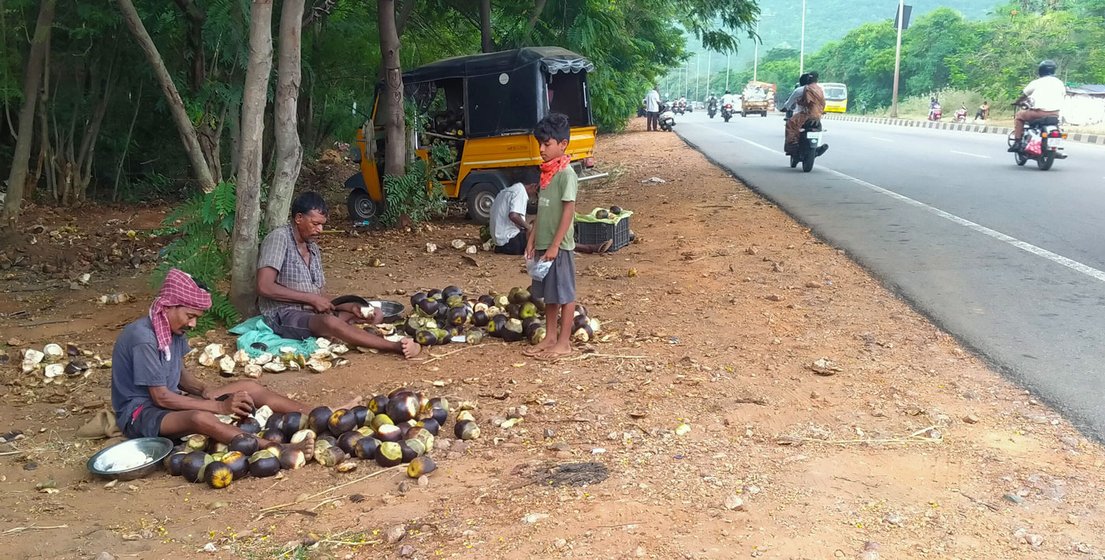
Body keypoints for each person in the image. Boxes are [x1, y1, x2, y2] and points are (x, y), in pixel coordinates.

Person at [110, 268, 350, 450]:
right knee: (198, 417)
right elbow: (161, 397)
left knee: (248, 387)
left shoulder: (172, 328)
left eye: (196, 318)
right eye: (190, 316)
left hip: (169, 402)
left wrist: (205, 390)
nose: (193, 323)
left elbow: (178, 373)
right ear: (170, 306)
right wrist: (217, 406)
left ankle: (321, 415)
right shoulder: (144, 338)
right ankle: (275, 448)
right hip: (141, 414)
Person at [256, 191, 422, 358]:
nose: (319, 230)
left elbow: (320, 295)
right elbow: (265, 286)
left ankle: (339, 333)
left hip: (313, 312)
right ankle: (395, 347)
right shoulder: (279, 238)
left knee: (374, 312)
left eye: (322, 225)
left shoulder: (312, 248)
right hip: (284, 315)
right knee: (329, 322)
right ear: (299, 218)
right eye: (315, 224)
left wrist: (348, 306)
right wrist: (311, 299)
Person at [524, 113, 580, 361]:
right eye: (540, 144)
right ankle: (549, 337)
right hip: (543, 243)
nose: (542, 149)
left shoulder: (566, 174)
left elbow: (568, 210)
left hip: (559, 246)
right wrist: (532, 237)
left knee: (565, 294)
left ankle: (564, 342)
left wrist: (556, 245)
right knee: (549, 294)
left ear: (563, 144)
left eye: (547, 144)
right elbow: (543, 210)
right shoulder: (546, 173)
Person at [490, 173, 611, 256]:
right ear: (533, 186)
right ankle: (589, 248)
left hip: (501, 242)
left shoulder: (508, 191)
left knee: (537, 227)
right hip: (509, 242)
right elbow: (513, 215)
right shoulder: (520, 192)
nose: (534, 198)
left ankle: (585, 247)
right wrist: (528, 227)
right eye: (536, 194)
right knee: (547, 236)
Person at [1009, 60, 1064, 152]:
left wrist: (1017, 102)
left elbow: (1024, 95)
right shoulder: (1059, 83)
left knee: (1019, 116)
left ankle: (1017, 142)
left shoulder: (1037, 82)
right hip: (1055, 114)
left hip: (1039, 113)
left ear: (1041, 70)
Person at [782, 71, 828, 156]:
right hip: (816, 116)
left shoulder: (799, 90)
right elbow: (823, 103)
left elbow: (788, 104)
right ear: (817, 79)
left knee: (790, 124)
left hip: (804, 116)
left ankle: (792, 146)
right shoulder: (820, 89)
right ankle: (817, 146)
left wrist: (784, 108)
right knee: (819, 128)